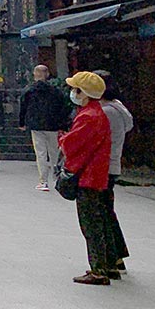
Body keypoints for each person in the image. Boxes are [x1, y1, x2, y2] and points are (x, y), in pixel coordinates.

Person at [59, 71, 115, 285]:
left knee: (90, 224)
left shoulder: (88, 116)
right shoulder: (96, 113)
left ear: (84, 93)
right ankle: (107, 264)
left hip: (88, 177)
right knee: (99, 221)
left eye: (76, 89)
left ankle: (99, 269)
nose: (73, 93)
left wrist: (63, 139)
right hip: (96, 175)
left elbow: (72, 144)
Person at [97, 70, 133, 273]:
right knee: (107, 211)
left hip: (104, 166)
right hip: (112, 165)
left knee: (102, 213)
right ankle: (117, 255)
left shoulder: (107, 112)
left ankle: (111, 257)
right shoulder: (119, 108)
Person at [20, 64, 68, 191]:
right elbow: (62, 108)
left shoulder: (29, 90)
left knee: (40, 153)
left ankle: (43, 181)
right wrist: (62, 124)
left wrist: (22, 122)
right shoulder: (55, 91)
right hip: (53, 125)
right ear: (47, 74)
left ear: (35, 74)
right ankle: (57, 178)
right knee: (54, 152)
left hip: (36, 124)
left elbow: (23, 107)